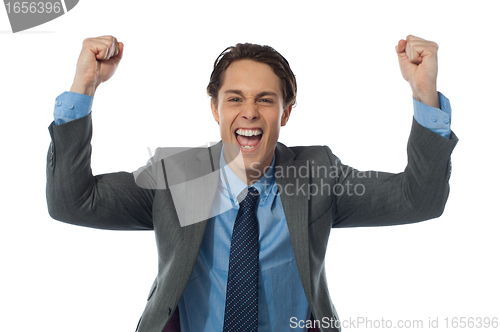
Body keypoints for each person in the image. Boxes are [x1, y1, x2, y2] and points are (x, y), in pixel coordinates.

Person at [46, 35, 458, 332]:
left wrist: (424, 95)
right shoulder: (180, 175)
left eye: (265, 99)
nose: (250, 113)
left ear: (286, 112)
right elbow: (73, 203)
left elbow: (416, 200)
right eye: (235, 98)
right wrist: (84, 87)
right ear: (215, 107)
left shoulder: (316, 174)